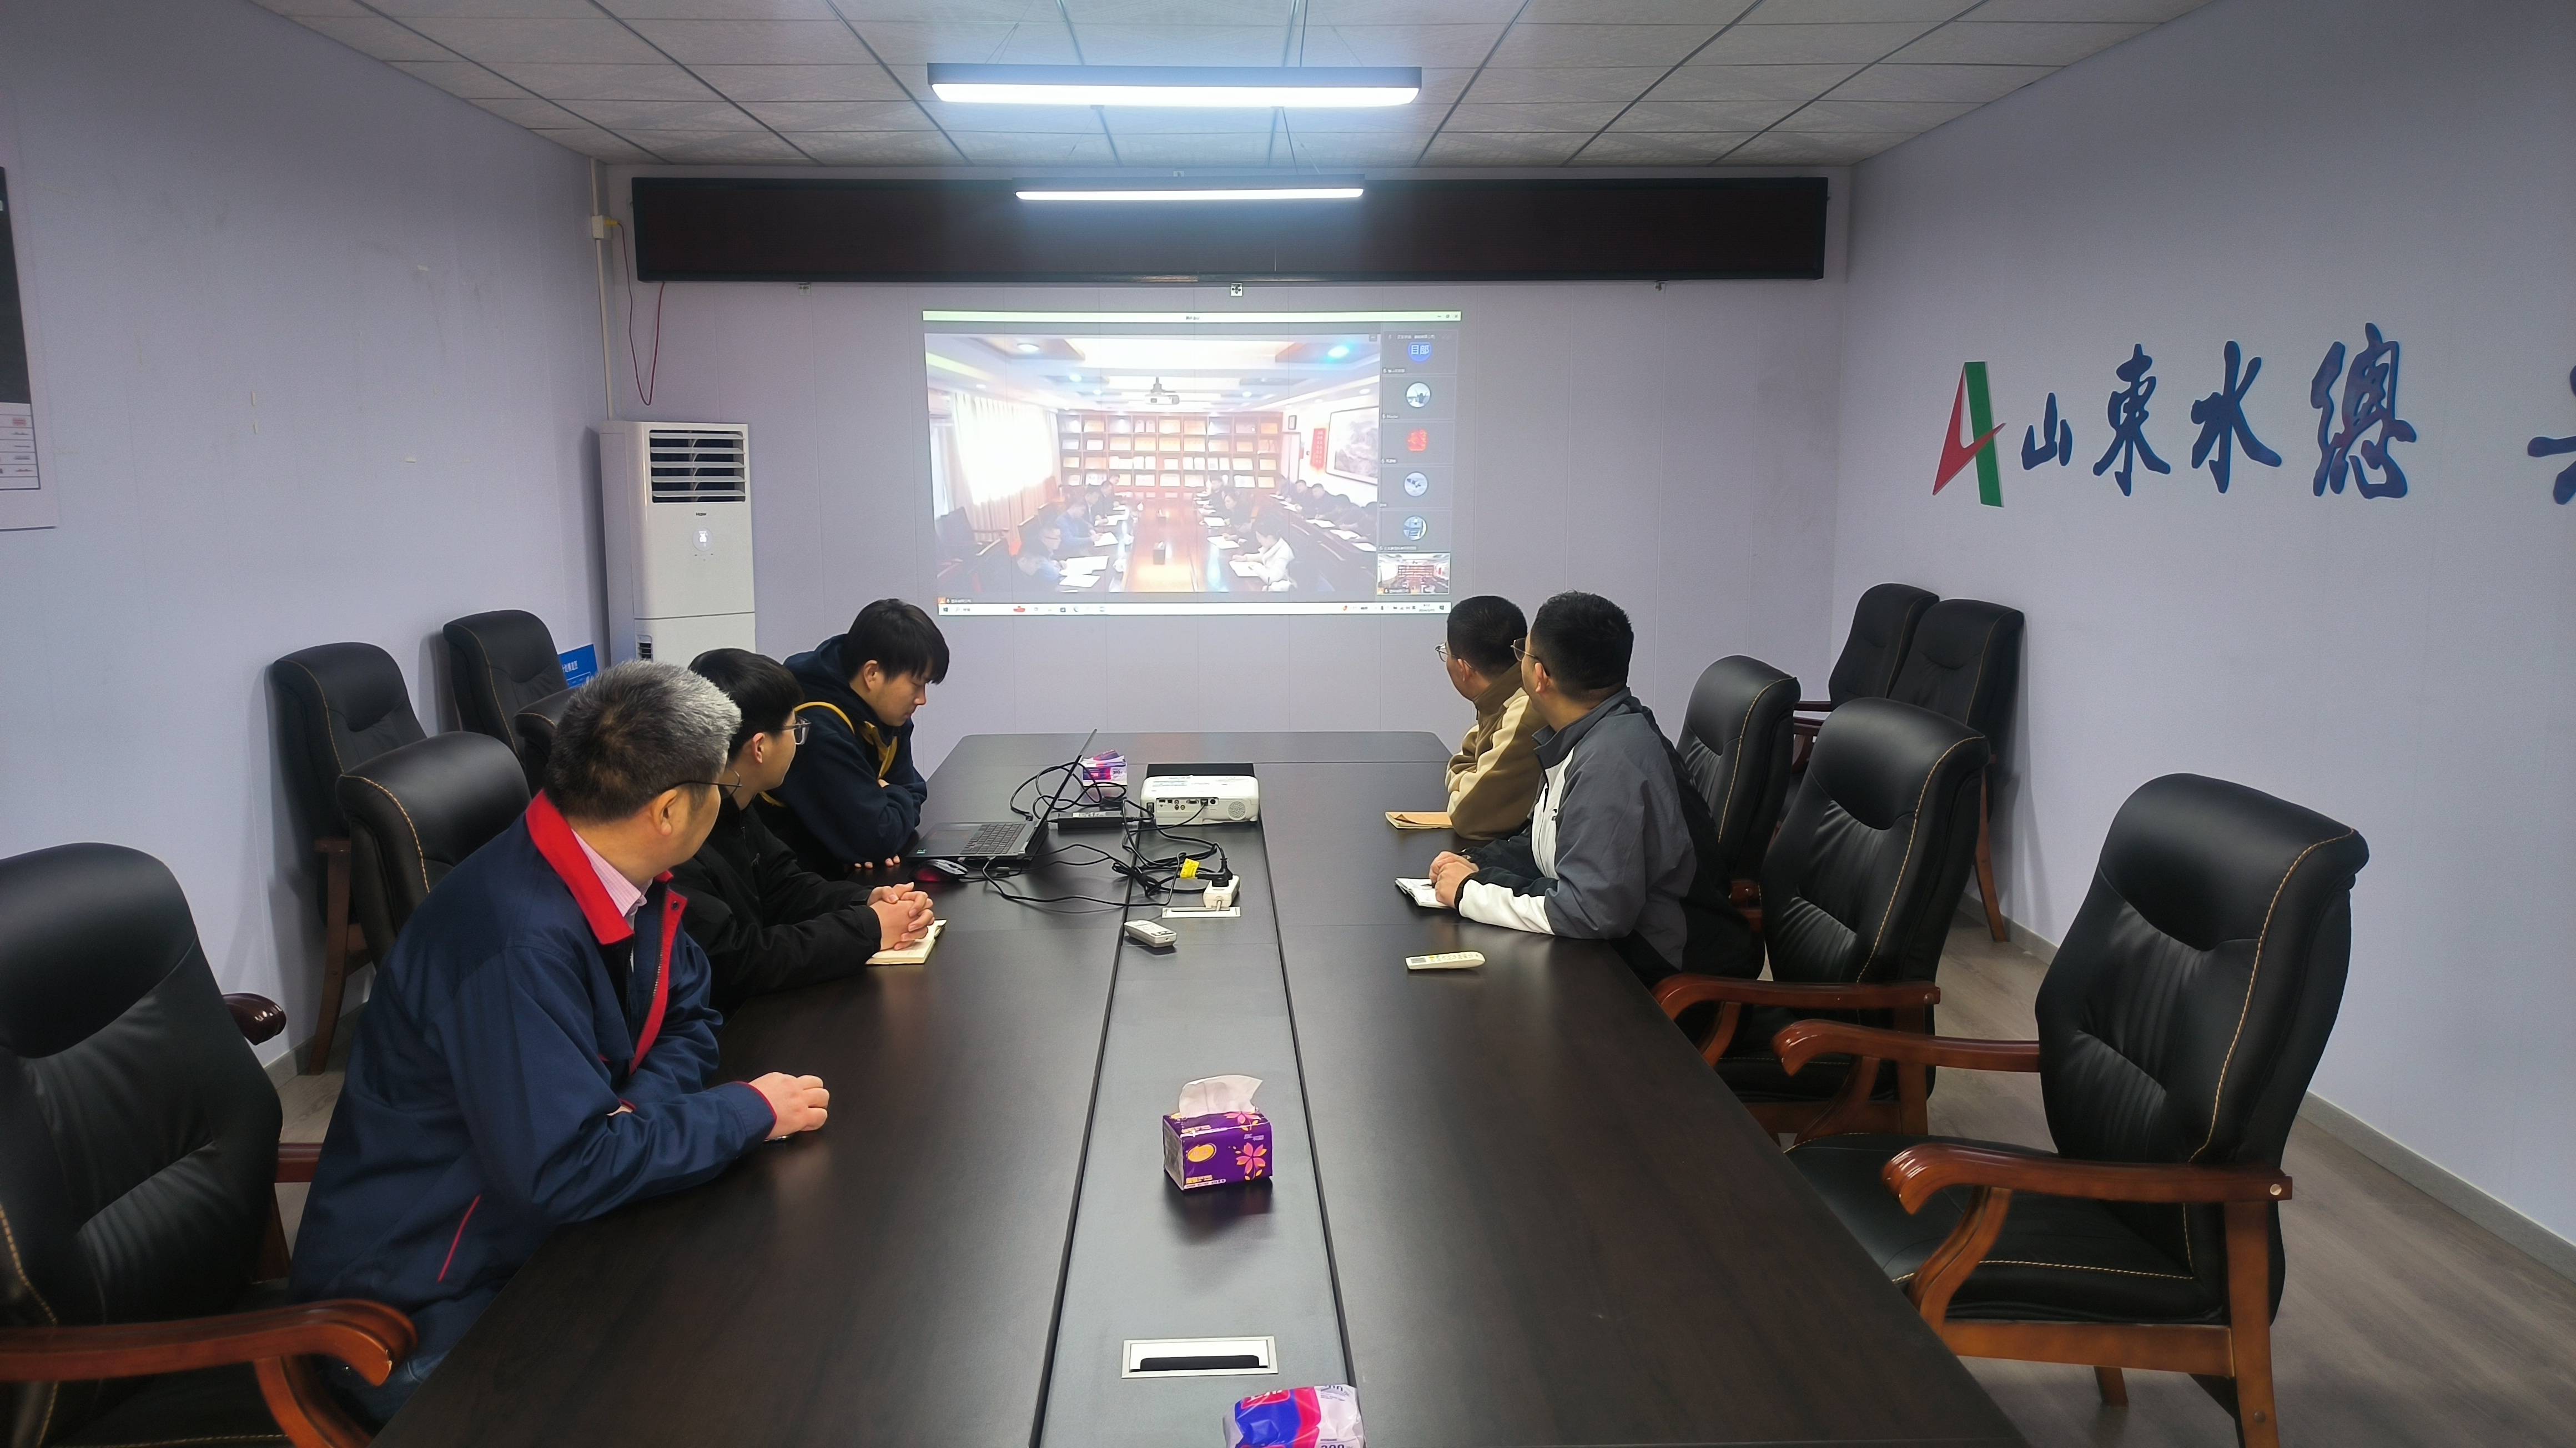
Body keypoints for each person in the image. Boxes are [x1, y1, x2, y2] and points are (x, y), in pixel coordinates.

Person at [293, 662, 830, 1422]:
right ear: (669, 810)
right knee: (726, 1388)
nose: (725, 800)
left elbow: (687, 1013)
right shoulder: (514, 940)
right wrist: (746, 1112)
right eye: (718, 785)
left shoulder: (628, 875)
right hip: (421, 1311)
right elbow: (565, 1169)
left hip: (542, 1233)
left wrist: (635, 1116)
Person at [1428, 591, 1737, 984]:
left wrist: (1470, 891)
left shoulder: (1612, 761)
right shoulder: (1592, 730)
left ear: (1540, 676)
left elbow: (1589, 911)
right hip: (1612, 949)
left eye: (1524, 653)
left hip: (1650, 975)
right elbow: (1550, 842)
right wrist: (1478, 863)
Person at [674, 648, 935, 1010]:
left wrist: (868, 901)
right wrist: (869, 928)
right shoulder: (682, 838)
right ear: (760, 748)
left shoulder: (736, 801)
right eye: (795, 730)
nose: (799, 742)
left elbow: (786, 888)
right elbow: (736, 961)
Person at [762, 599, 950, 878]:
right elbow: (878, 838)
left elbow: (914, 788)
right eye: (917, 684)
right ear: (872, 674)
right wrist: (886, 798)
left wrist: (885, 800)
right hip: (799, 883)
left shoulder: (888, 715)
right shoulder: (818, 728)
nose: (922, 699)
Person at [1439, 595, 1544, 842]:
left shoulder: (1525, 711)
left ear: (1463, 669)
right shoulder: (1502, 700)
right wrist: (1468, 779)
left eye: (1446, 652)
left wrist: (1464, 783)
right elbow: (1466, 759)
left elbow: (1468, 817)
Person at [1242, 516, 1295, 590]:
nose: (1258, 541)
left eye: (1259, 537)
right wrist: (1246, 558)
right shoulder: (1272, 544)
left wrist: (1256, 566)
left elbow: (1272, 579)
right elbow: (1264, 557)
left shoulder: (1283, 555)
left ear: (1269, 537)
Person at [1014, 516, 1065, 588]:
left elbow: (1050, 562)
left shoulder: (1042, 550)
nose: (1060, 540)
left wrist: (1056, 564)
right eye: (1056, 538)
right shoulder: (1037, 554)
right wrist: (1058, 565)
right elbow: (1053, 574)